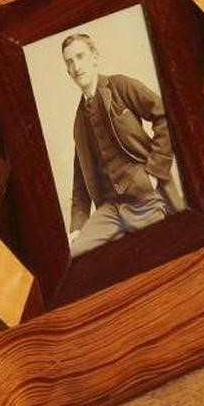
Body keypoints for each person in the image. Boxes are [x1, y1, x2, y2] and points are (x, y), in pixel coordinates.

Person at [62, 32, 179, 257]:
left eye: (80, 56)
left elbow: (165, 114)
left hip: (144, 197)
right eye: (70, 62)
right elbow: (80, 181)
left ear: (94, 58)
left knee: (160, 257)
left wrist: (154, 171)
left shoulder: (120, 86)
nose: (76, 66)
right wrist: (77, 227)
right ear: (68, 72)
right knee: (75, 255)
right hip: (111, 208)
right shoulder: (79, 122)